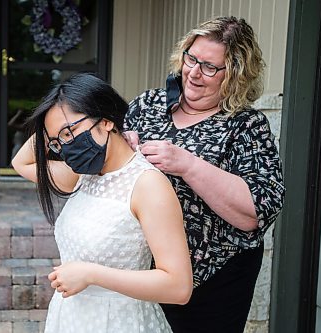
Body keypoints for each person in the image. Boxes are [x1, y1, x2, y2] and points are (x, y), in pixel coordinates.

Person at [124, 16, 285, 333]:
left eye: (210, 67)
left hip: (215, 280)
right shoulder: (147, 105)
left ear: (235, 75)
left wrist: (186, 163)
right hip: (145, 269)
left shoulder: (246, 125)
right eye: (191, 58)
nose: (194, 73)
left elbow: (257, 211)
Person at [12, 73, 193, 333]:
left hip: (120, 322)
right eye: (57, 142)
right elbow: (22, 162)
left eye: (69, 132)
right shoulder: (82, 174)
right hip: (72, 319)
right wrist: (50, 123)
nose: (65, 147)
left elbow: (178, 286)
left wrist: (92, 274)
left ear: (106, 120)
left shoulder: (147, 186)